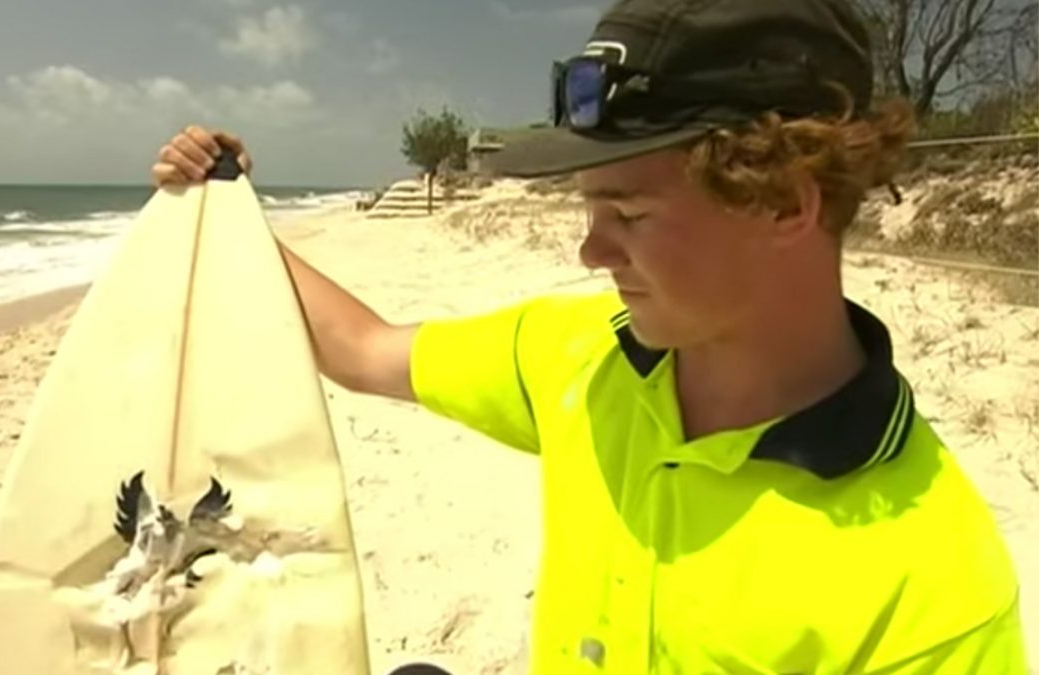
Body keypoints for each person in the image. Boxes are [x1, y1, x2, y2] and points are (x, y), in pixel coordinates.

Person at [152, 0, 1029, 672]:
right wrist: (227, 209)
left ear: (782, 202)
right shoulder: (580, 356)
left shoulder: (928, 580)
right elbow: (364, 350)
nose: (589, 247)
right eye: (590, 206)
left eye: (631, 212)